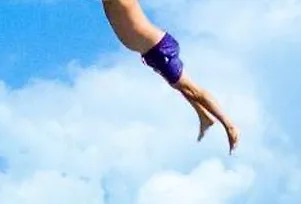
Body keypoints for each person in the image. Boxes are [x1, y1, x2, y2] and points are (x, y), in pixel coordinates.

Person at [100, 0, 240, 150]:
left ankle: (229, 125)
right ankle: (204, 116)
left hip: (159, 49)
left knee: (190, 89)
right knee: (178, 85)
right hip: (150, 52)